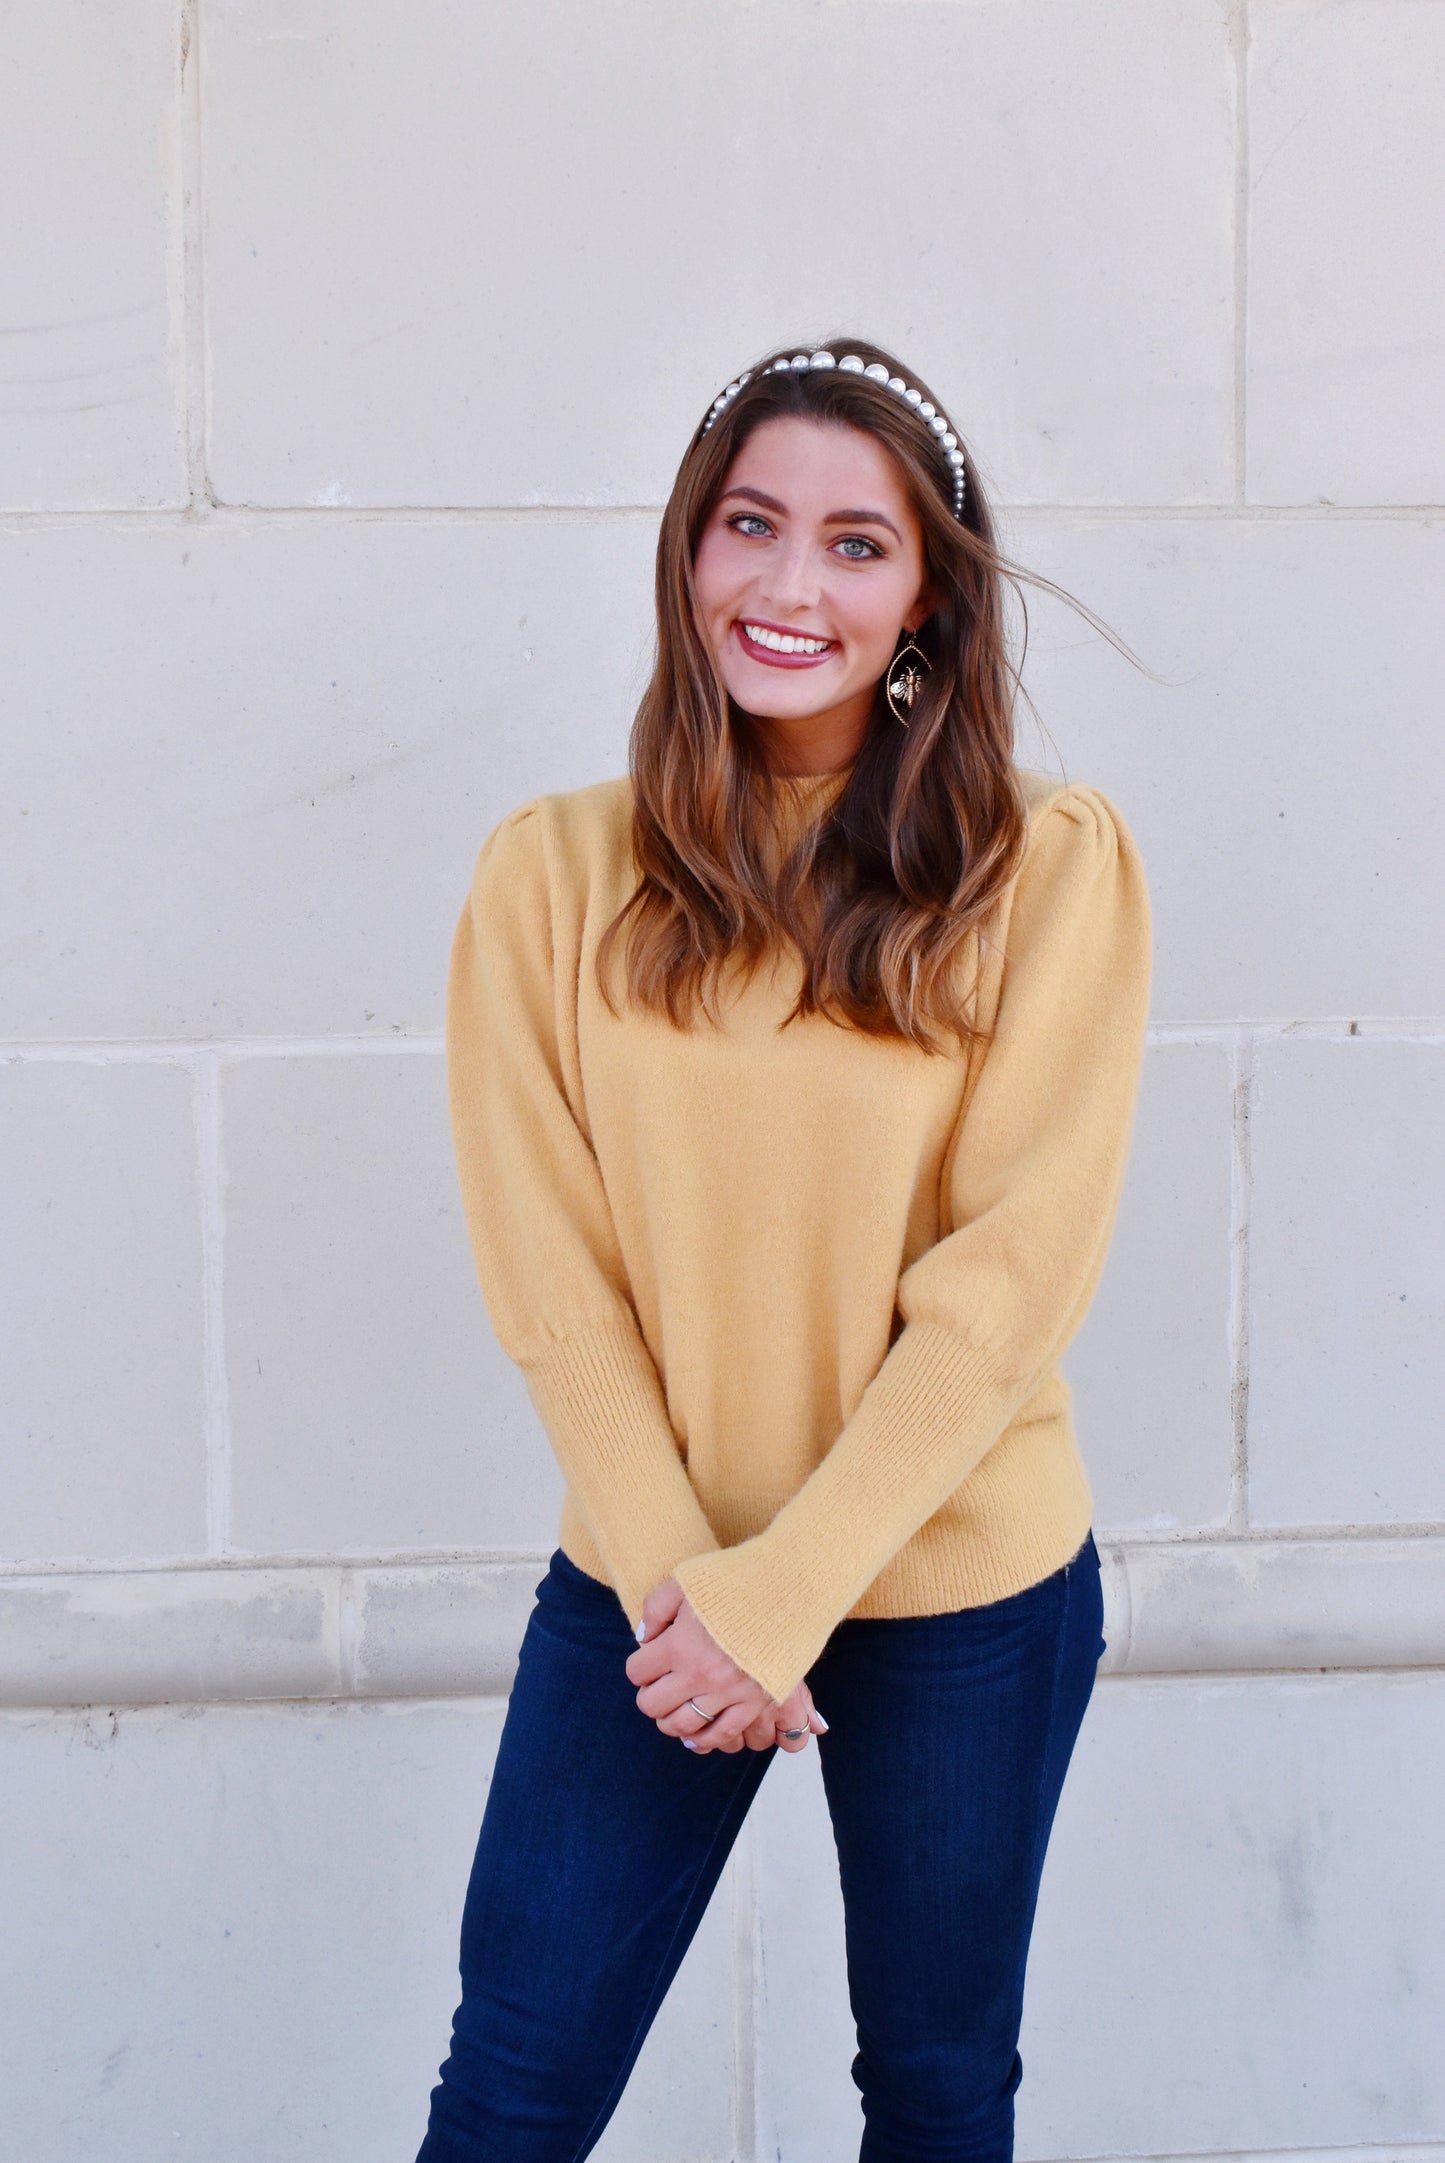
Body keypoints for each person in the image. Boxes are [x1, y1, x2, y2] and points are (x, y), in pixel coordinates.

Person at [416, 337, 1153, 2162]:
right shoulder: (550, 873)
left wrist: (787, 1589)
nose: (786, 585)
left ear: (923, 600)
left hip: (960, 1586)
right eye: (749, 527)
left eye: (853, 543)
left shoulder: (1042, 867)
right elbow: (549, 1277)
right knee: (511, 2088)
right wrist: (697, 1594)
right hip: (651, 1594)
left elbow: (1003, 1290)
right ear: (688, 554)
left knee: (932, 2087)